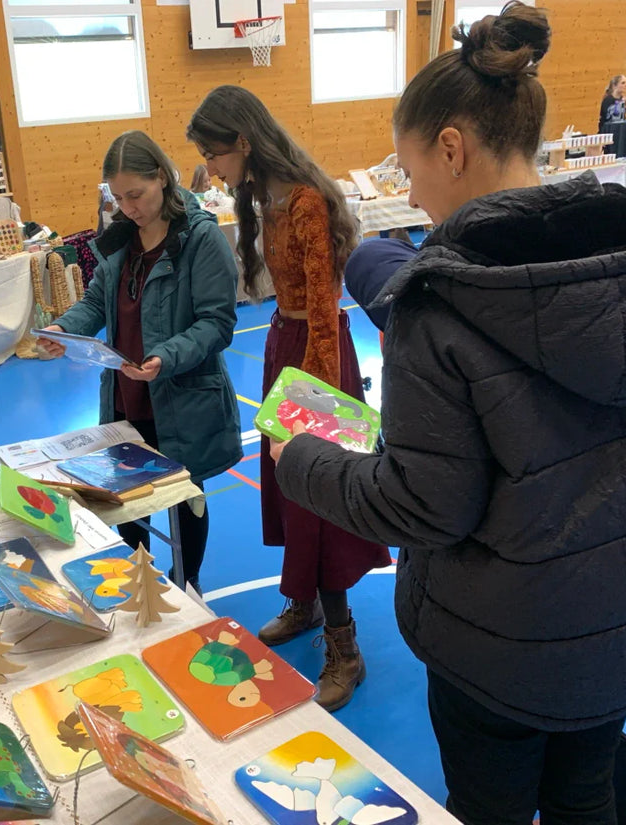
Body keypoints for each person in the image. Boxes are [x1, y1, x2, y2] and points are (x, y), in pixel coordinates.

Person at [268, 4, 626, 823]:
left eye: (408, 170)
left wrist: (300, 458)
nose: (411, 193)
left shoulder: (443, 302)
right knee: (588, 795)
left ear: (451, 147)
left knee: (492, 807)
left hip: (500, 652)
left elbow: (423, 502)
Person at [187, 86, 390, 712]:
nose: (213, 171)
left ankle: (344, 648)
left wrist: (309, 410)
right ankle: (302, 605)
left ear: (244, 142)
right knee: (288, 492)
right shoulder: (262, 194)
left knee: (318, 499)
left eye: (215, 156)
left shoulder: (304, 200)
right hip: (284, 343)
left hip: (319, 356)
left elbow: (326, 315)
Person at [37, 130, 242, 595]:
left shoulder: (200, 239)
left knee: (183, 498)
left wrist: (164, 357)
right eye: (119, 197)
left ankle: (187, 586)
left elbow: (217, 323)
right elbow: (96, 302)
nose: (129, 207)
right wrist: (65, 329)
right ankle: (145, 585)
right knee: (128, 503)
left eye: (137, 194)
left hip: (181, 397)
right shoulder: (120, 242)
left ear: (164, 180)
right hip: (128, 397)